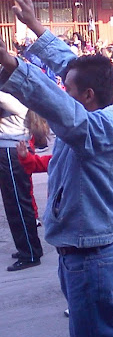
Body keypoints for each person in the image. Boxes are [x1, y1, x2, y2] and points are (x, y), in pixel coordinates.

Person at [0, 0, 113, 337]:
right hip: (80, 252)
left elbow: (69, 115)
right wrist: (37, 28)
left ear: (89, 97)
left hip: (91, 257)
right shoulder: (104, 99)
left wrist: (10, 62)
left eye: (71, 90)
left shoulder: (105, 124)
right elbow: (73, 68)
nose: (65, 89)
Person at [0, 91, 43, 270]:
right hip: (11, 151)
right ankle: (29, 248)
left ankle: (30, 253)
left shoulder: (12, 99)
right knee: (15, 204)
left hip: (12, 152)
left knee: (17, 204)